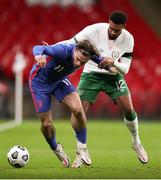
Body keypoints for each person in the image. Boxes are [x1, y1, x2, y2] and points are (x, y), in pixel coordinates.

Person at [62, 10, 148, 167]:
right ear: (108, 22)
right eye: (112, 28)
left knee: (129, 109)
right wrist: (48, 49)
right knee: (78, 111)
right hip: (90, 74)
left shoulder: (128, 39)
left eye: (118, 30)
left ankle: (136, 142)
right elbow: (71, 41)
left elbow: (126, 69)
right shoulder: (93, 30)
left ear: (124, 27)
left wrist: (113, 62)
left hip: (113, 76)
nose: (114, 32)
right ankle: (81, 149)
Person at [29, 39, 107, 168]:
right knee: (47, 124)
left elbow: (102, 60)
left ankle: (82, 147)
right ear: (75, 50)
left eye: (82, 62)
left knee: (78, 109)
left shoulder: (88, 55)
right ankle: (56, 148)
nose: (78, 63)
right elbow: (38, 47)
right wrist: (39, 55)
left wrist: (111, 65)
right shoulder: (63, 51)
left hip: (59, 81)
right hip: (40, 83)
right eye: (77, 59)